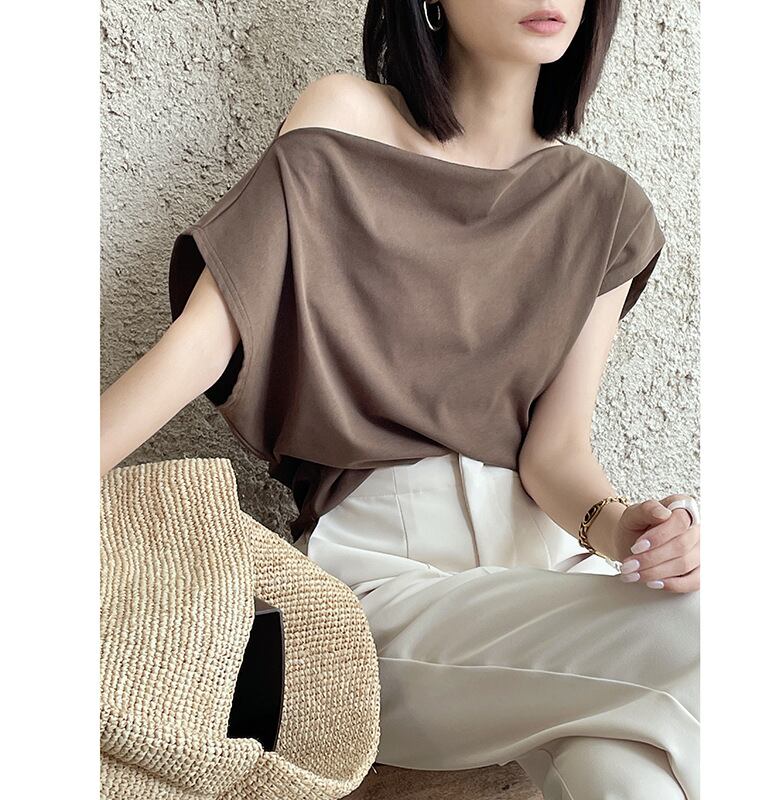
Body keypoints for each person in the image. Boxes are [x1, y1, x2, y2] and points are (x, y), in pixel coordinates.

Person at [100, 1, 700, 798]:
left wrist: (628, 529)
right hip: (384, 592)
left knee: (629, 781)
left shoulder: (607, 207)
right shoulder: (346, 119)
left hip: (553, 576)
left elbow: (556, 452)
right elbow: (201, 346)